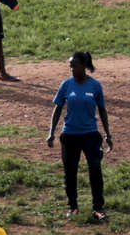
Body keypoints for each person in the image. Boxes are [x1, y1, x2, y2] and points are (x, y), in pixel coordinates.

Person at [48, 51, 111, 221]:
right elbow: (58, 108)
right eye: (70, 66)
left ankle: (98, 208)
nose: (71, 69)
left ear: (84, 66)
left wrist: (107, 134)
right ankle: (72, 207)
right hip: (70, 135)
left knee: (95, 170)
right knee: (70, 172)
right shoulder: (66, 85)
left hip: (90, 134)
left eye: (74, 65)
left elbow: (102, 110)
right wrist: (51, 132)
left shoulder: (95, 86)